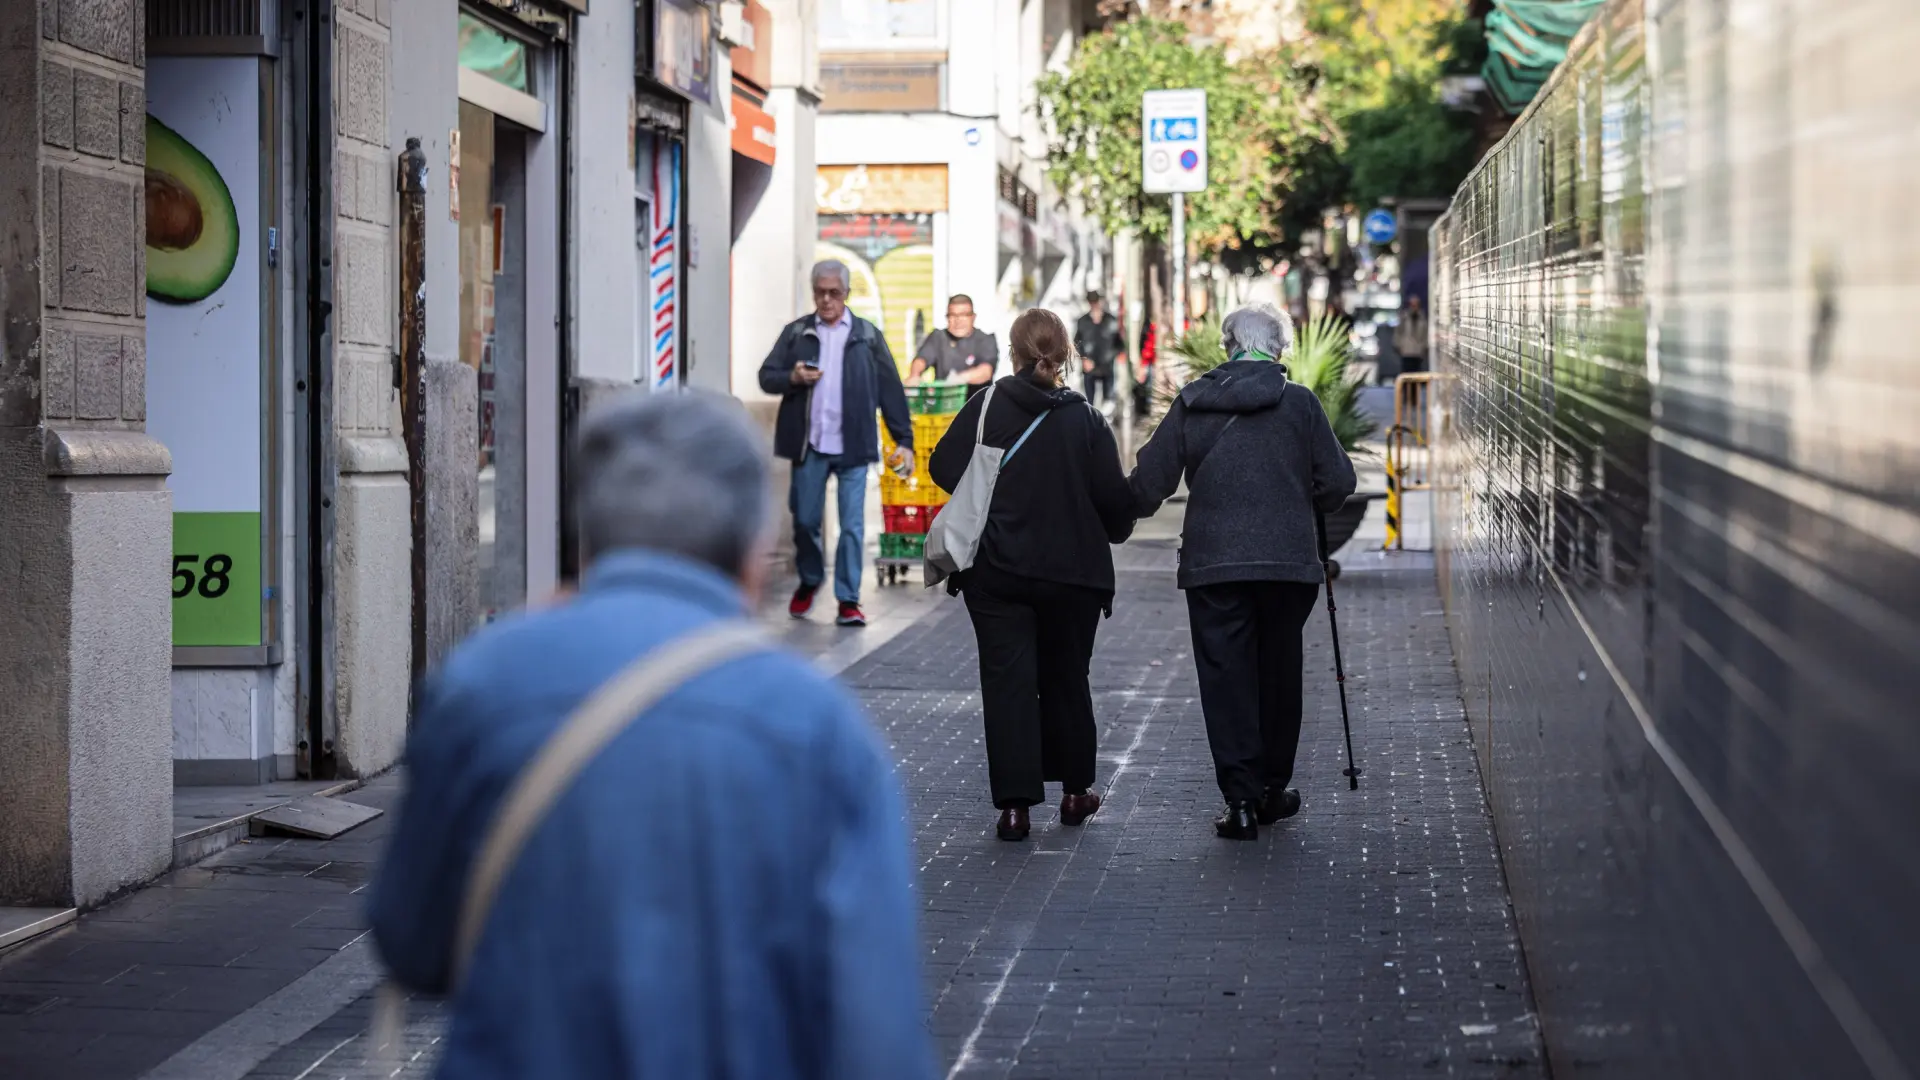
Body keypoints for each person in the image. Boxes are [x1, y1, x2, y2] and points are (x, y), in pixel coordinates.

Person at [370, 391, 936, 1079]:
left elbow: (412, 942)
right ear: (752, 551)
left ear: (588, 536)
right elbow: (873, 1036)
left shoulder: (483, 683)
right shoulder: (818, 729)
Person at [1128, 303, 1357, 841]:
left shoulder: (1193, 403)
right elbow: (1339, 482)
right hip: (1287, 566)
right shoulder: (1300, 404)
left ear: (1227, 346)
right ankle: (1274, 789)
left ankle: (1241, 802)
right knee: (1278, 671)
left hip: (1214, 566)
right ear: (1279, 350)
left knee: (1226, 679)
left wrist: (1103, 516)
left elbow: (1147, 485)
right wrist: (1304, 493)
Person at [929, 308, 1136, 841]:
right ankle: (1074, 793)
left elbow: (942, 467)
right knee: (1067, 678)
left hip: (996, 572)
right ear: (1067, 355)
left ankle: (1015, 809)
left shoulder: (986, 406)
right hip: (1073, 578)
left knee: (1007, 684)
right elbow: (1115, 508)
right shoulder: (1086, 419)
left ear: (1013, 354)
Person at [758, 260, 914, 628]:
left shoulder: (868, 336)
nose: (826, 300)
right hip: (809, 445)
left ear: (846, 294)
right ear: (813, 293)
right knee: (806, 520)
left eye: (834, 293)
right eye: (820, 293)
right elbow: (767, 376)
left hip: (854, 447)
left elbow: (891, 390)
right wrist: (792, 377)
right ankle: (811, 578)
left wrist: (903, 440)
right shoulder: (796, 333)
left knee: (852, 527)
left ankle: (848, 599)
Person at [908, 293, 998, 399]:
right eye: (953, 315)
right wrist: (915, 375)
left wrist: (958, 379)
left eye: (964, 315)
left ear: (973, 317)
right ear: (947, 317)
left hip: (976, 405)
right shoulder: (938, 337)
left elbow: (985, 371)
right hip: (944, 403)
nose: (958, 320)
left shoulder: (985, 340)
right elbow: (921, 359)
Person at [1073, 290, 1126, 412]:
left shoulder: (1111, 320)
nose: (1094, 304)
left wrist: (1109, 356)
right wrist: (1084, 359)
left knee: (1108, 404)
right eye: (1092, 302)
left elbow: (1120, 345)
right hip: (1089, 369)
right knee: (1089, 404)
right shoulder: (1082, 322)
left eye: (1096, 301)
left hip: (1107, 369)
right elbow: (1076, 344)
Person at [1394, 295, 1429, 374]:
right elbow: (1398, 332)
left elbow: (1425, 335)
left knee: (1416, 374)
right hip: (1406, 351)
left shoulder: (1422, 319)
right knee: (1406, 374)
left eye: (1416, 305)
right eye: (1412, 305)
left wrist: (1424, 347)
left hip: (1417, 352)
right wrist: (1398, 345)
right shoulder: (1404, 317)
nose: (1414, 307)